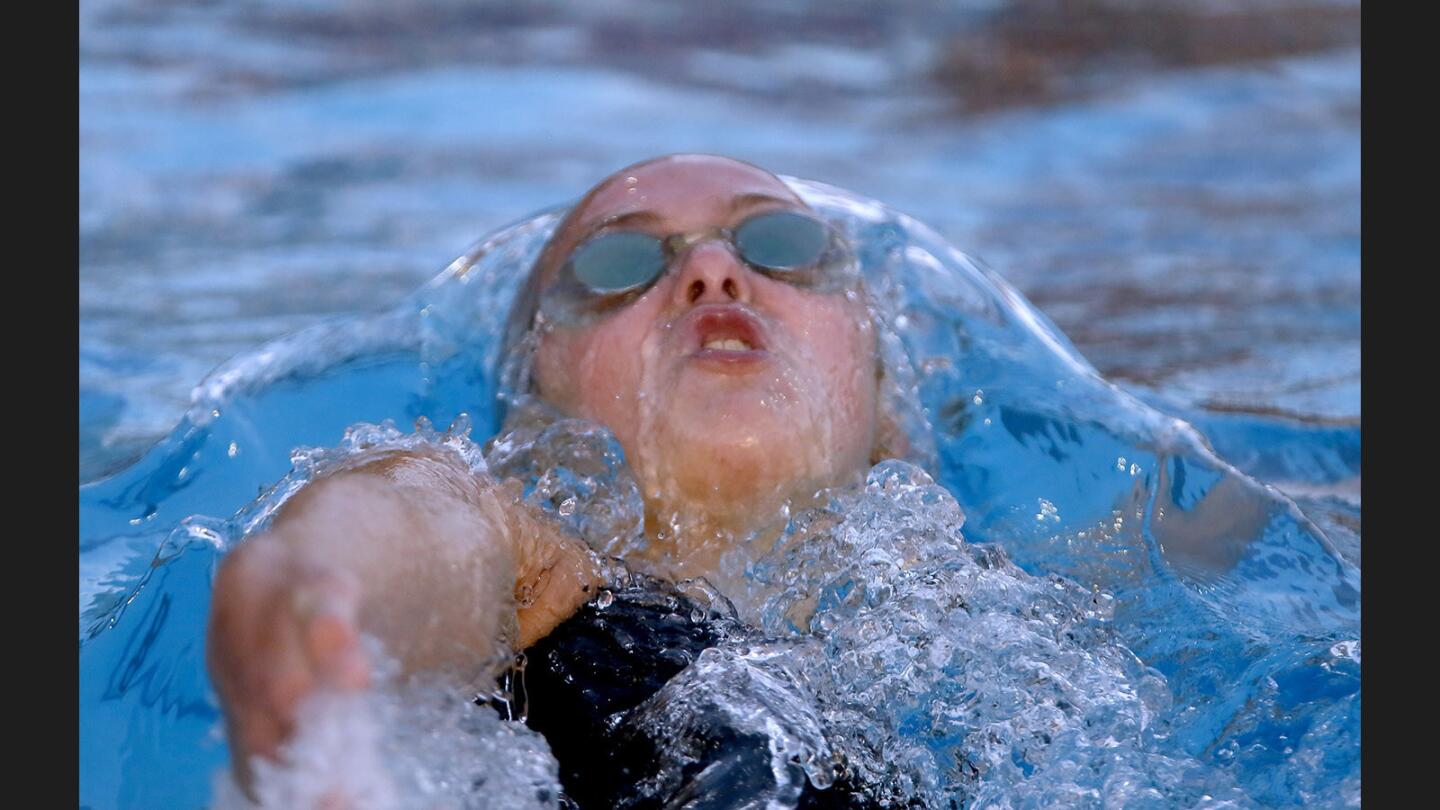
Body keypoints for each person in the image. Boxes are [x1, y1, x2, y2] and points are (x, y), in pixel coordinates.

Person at [208, 154, 900, 803]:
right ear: (534, 428)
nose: (712, 266)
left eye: (785, 242)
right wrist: (319, 599)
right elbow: (421, 518)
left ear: (883, 402)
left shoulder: (983, 621)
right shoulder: (552, 591)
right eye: (616, 263)